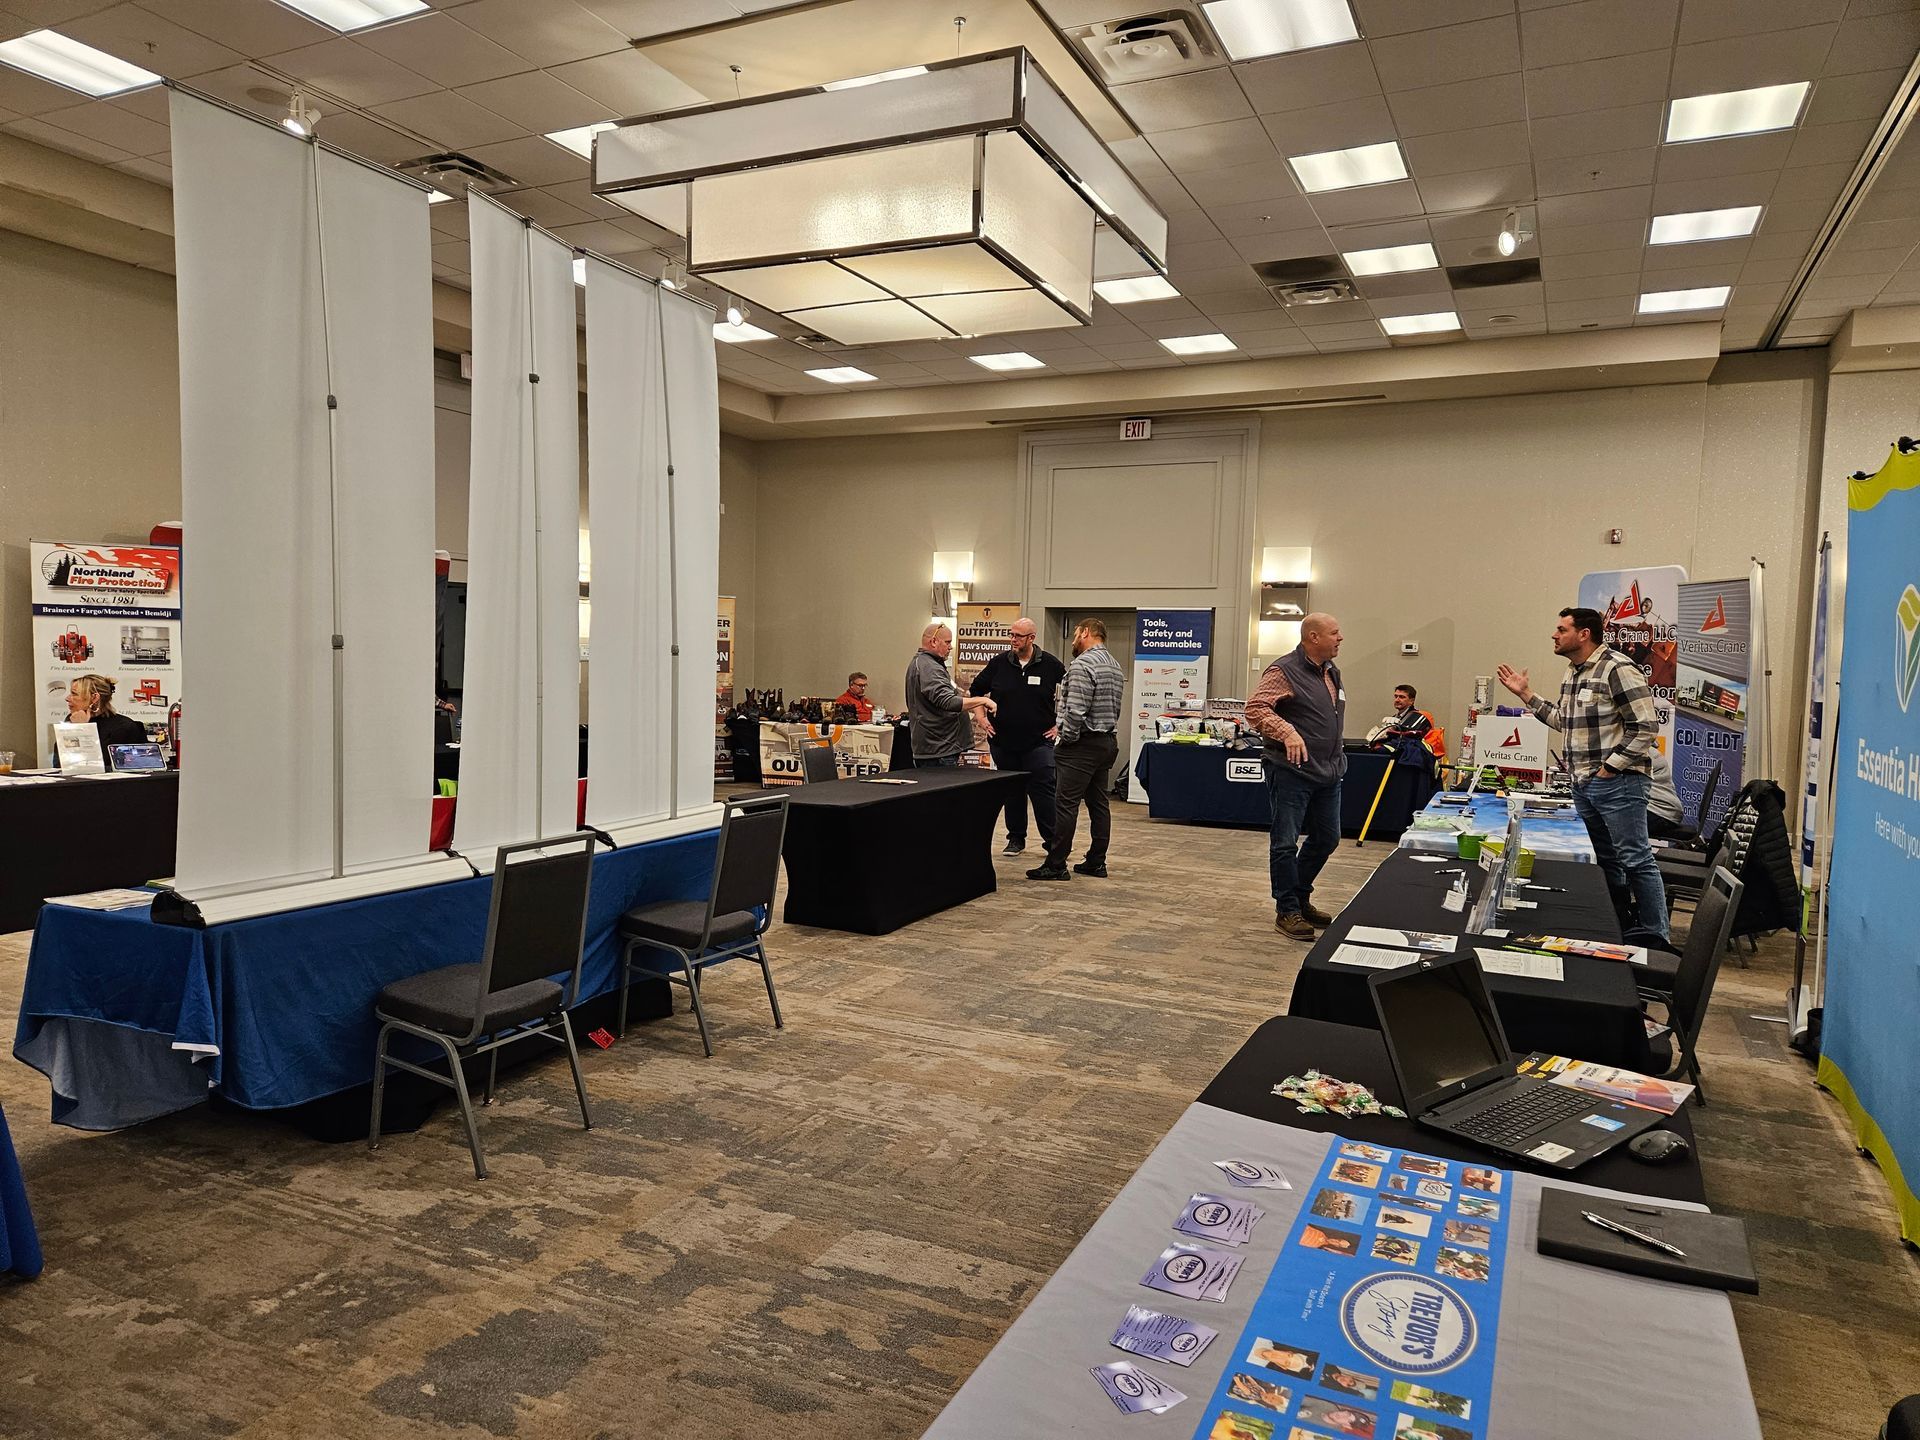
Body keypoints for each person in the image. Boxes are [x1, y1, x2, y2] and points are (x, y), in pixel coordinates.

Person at [1498, 606, 1669, 943]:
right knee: (1606, 859)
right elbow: (1565, 721)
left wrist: (1610, 768)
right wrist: (1524, 694)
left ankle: (1655, 936)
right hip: (1584, 786)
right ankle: (1617, 924)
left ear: (1584, 634)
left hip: (1618, 783)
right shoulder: (1573, 673)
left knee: (1635, 859)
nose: (1554, 635)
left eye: (1561, 629)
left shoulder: (1617, 668)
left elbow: (1646, 726)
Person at [1245, 613, 1346, 940]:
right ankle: (1287, 909)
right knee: (1285, 842)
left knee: (1327, 838)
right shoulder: (1284, 670)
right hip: (1291, 772)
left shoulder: (1332, 672)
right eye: (1334, 633)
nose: (1340, 638)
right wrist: (1287, 732)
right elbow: (1256, 709)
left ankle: (1300, 896)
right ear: (1313, 637)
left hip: (1327, 772)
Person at [1027, 617, 1123, 881]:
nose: (1073, 639)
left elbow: (1076, 709)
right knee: (1098, 803)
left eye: (1075, 634)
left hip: (1081, 745)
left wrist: (1065, 739)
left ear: (1085, 632)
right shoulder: (1114, 665)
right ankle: (1096, 860)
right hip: (1105, 742)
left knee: (1065, 805)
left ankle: (1056, 864)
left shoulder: (1082, 665)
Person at [969, 617, 1066, 854]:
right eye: (1011, 635)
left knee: (1042, 789)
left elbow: (1069, 696)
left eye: (1018, 636)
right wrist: (981, 718)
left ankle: (1052, 841)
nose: (1013, 639)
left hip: (1038, 742)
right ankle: (1016, 838)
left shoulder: (1051, 665)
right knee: (1012, 790)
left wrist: (1059, 726)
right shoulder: (999, 663)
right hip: (1003, 741)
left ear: (1031, 638)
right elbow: (976, 691)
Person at [902, 624, 995, 767]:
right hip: (939, 750)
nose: (950, 647)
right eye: (947, 642)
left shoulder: (929, 664)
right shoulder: (929, 667)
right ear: (933, 642)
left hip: (941, 748)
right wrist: (982, 700)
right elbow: (948, 702)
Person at [66, 674, 147, 749]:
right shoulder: (74, 718)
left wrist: (81, 729)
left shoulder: (123, 727)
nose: (67, 698)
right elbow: (60, 757)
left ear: (94, 698)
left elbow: (100, 760)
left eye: (74, 694)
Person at [1647, 748, 1690, 840]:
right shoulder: (1647, 749)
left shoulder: (1640, 753)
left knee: (1613, 820)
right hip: (1664, 811)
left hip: (1660, 813)